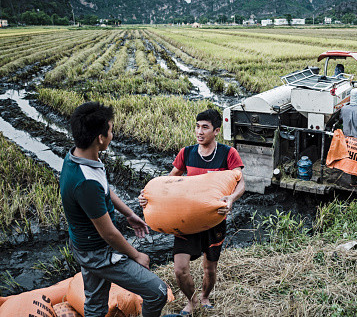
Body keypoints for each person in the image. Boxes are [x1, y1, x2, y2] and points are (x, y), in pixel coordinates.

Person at [60, 102, 169, 317]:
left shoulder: (79, 156)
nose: (112, 135)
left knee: (95, 304)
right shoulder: (84, 182)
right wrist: (137, 255)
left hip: (85, 244)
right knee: (158, 292)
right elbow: (108, 233)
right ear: (100, 138)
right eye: (110, 130)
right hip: (98, 252)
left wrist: (129, 214)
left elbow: (105, 189)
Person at [139, 108, 245, 316]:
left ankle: (205, 297)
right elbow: (169, 182)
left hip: (213, 221)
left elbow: (241, 182)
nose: (199, 131)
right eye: (197, 126)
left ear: (216, 131)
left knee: (210, 268)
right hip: (186, 220)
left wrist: (231, 198)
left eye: (205, 127)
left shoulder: (228, 153)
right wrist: (148, 197)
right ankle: (193, 300)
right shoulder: (186, 153)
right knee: (180, 269)